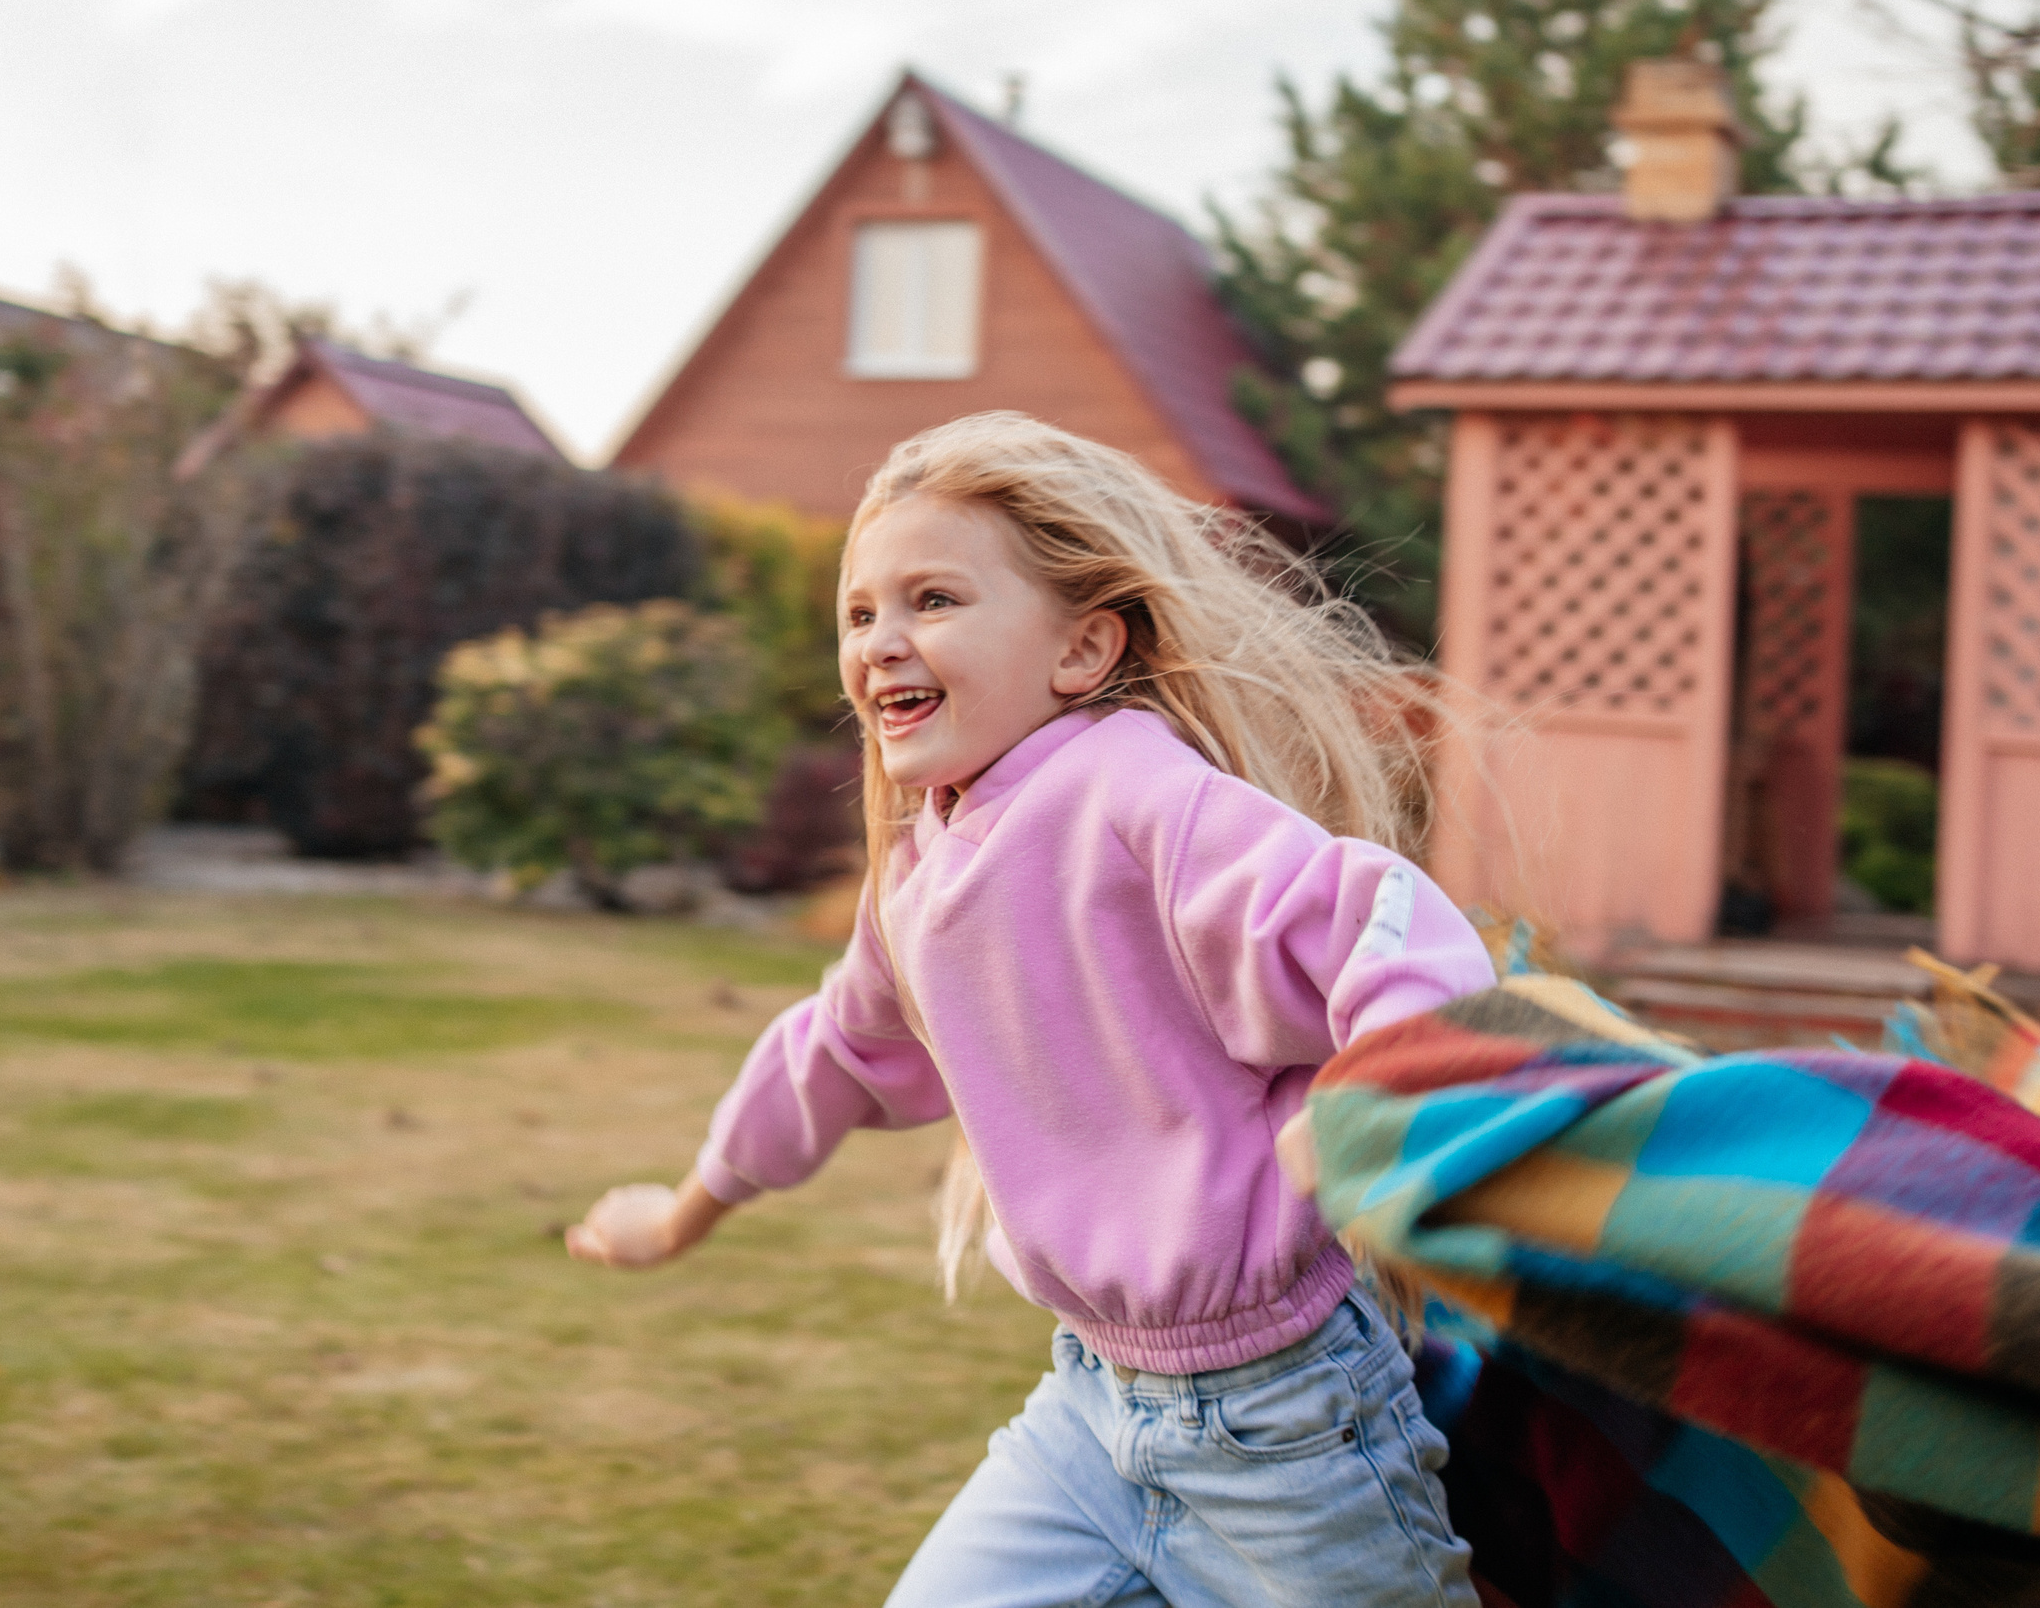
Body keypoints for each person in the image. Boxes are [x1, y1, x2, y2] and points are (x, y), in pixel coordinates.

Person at [566, 413, 1493, 1607]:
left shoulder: (1136, 792)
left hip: (1290, 1425)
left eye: (933, 601)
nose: (879, 644)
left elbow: (1382, 925)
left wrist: (1385, 1107)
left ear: (1081, 648)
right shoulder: (917, 869)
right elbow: (836, 1053)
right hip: (1093, 1414)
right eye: (859, 613)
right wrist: (685, 1212)